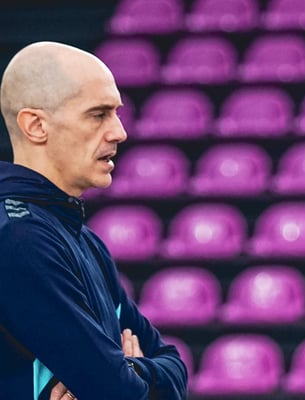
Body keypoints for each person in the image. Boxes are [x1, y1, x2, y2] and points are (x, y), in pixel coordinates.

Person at [0, 42, 187, 399]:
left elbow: (173, 364)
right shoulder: (18, 238)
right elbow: (116, 390)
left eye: (116, 113)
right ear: (36, 125)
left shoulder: (84, 240)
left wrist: (133, 370)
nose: (119, 132)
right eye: (98, 115)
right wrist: (130, 373)